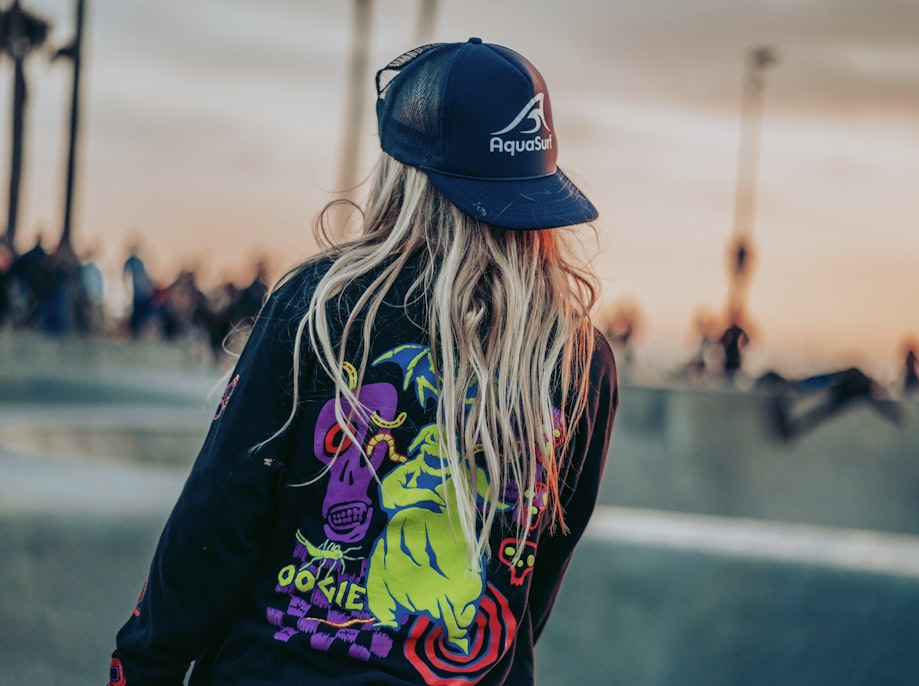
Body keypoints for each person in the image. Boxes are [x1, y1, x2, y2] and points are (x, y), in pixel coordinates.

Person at [110, 37, 618, 686]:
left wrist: (141, 665)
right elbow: (527, 584)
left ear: (403, 176)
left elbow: (215, 526)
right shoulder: (578, 361)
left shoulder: (321, 305)